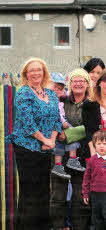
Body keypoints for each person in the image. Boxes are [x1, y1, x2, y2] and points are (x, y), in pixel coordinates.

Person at [10, 57, 62, 230]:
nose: (35, 73)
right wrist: (44, 140)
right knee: (30, 193)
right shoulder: (23, 93)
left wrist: (52, 141)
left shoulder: (52, 94)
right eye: (31, 70)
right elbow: (27, 122)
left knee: (43, 192)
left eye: (39, 69)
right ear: (26, 73)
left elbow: (56, 119)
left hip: (47, 149)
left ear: (44, 72)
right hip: (27, 149)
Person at [49, 68, 93, 230]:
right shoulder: (62, 100)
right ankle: (59, 227)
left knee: (80, 196)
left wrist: (67, 135)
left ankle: (79, 227)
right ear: (70, 84)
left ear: (88, 84)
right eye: (75, 80)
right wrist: (59, 132)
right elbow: (52, 117)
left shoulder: (92, 103)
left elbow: (90, 128)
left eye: (82, 80)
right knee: (58, 195)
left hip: (81, 155)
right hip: (60, 155)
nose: (78, 83)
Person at [49, 72, 84, 179]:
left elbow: (65, 94)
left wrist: (61, 92)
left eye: (60, 88)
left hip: (56, 126)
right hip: (58, 124)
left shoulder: (59, 98)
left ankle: (58, 165)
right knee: (74, 135)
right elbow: (56, 113)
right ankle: (72, 158)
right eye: (55, 87)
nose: (57, 90)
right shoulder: (50, 100)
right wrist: (63, 123)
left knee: (59, 144)